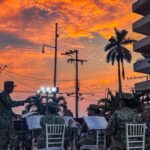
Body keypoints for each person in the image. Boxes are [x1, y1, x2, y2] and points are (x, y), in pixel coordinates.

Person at [0, 81, 30, 150]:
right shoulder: (3, 95)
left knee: (6, 140)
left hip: (6, 120)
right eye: (11, 87)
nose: (13, 88)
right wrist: (24, 101)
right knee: (3, 140)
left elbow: (7, 108)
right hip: (3, 121)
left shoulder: (6, 95)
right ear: (7, 87)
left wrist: (14, 115)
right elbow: (10, 104)